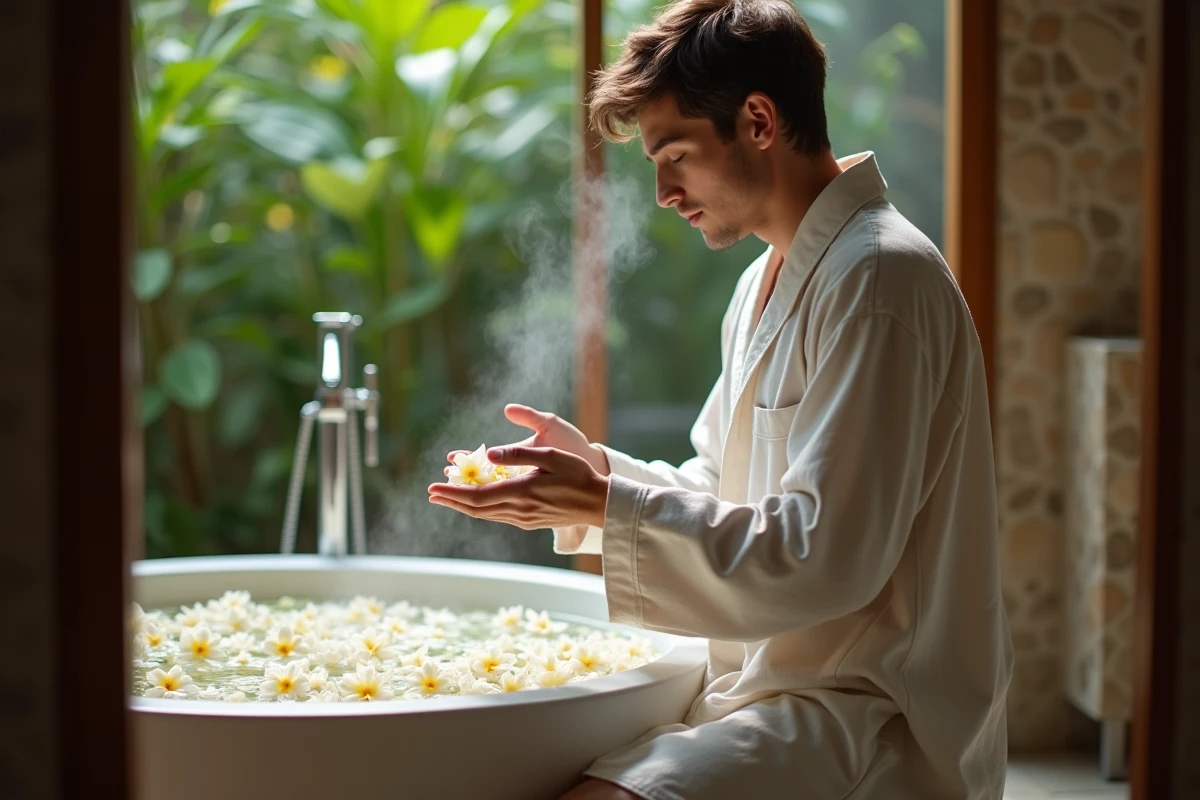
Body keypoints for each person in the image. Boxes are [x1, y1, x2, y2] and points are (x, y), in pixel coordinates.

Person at [427, 0, 1014, 797]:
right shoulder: (764, 280)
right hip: (764, 692)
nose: (665, 192)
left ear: (760, 121)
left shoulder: (880, 279)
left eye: (676, 155)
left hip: (864, 715)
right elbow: (718, 487)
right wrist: (593, 475)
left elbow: (822, 559)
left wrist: (606, 504)